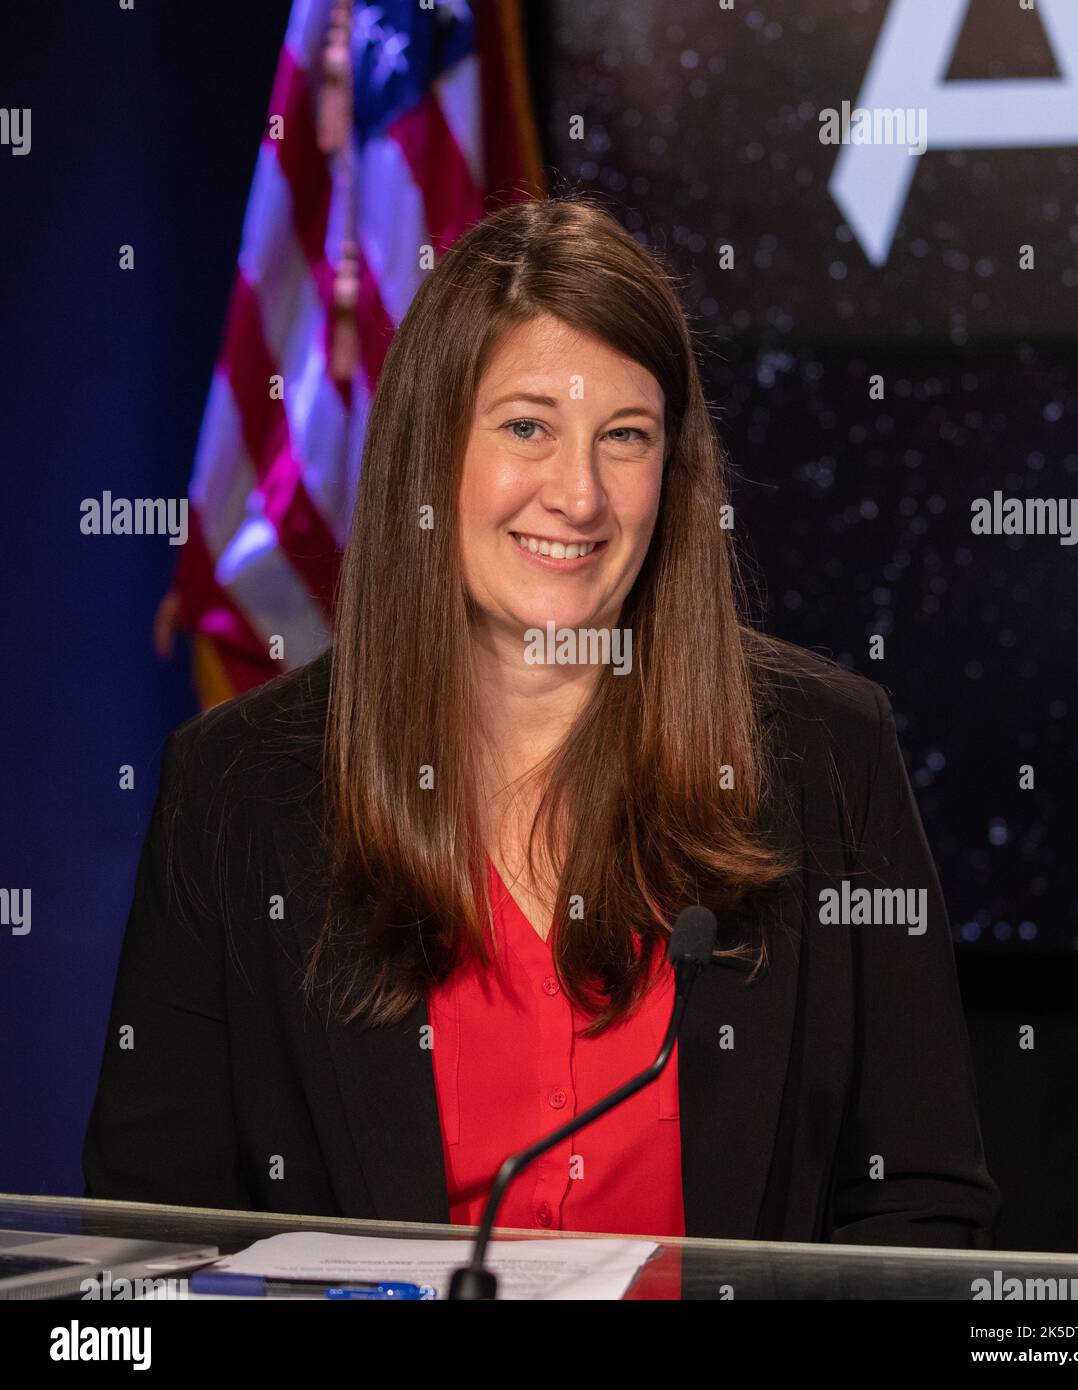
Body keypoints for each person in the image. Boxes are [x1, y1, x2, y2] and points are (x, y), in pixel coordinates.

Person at [83, 196, 1000, 1247]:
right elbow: (149, 1233)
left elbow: (922, 1203)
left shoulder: (827, 755)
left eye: (625, 437)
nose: (579, 494)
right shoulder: (236, 788)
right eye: (528, 426)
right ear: (430, 455)